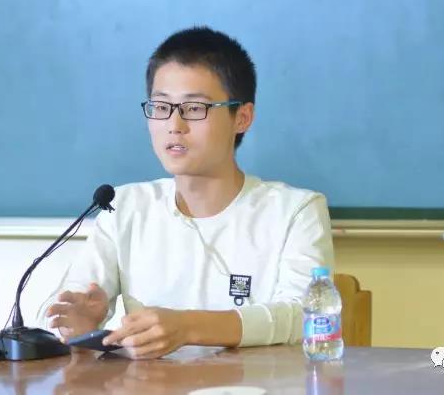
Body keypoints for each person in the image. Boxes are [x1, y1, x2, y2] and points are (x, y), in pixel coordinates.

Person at [38, 27, 334, 359]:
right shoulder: (124, 207)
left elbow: (305, 316)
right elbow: (59, 308)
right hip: (149, 383)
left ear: (242, 117)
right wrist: (75, 323)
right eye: (161, 106)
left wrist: (188, 327)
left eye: (194, 108)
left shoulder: (295, 210)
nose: (174, 125)